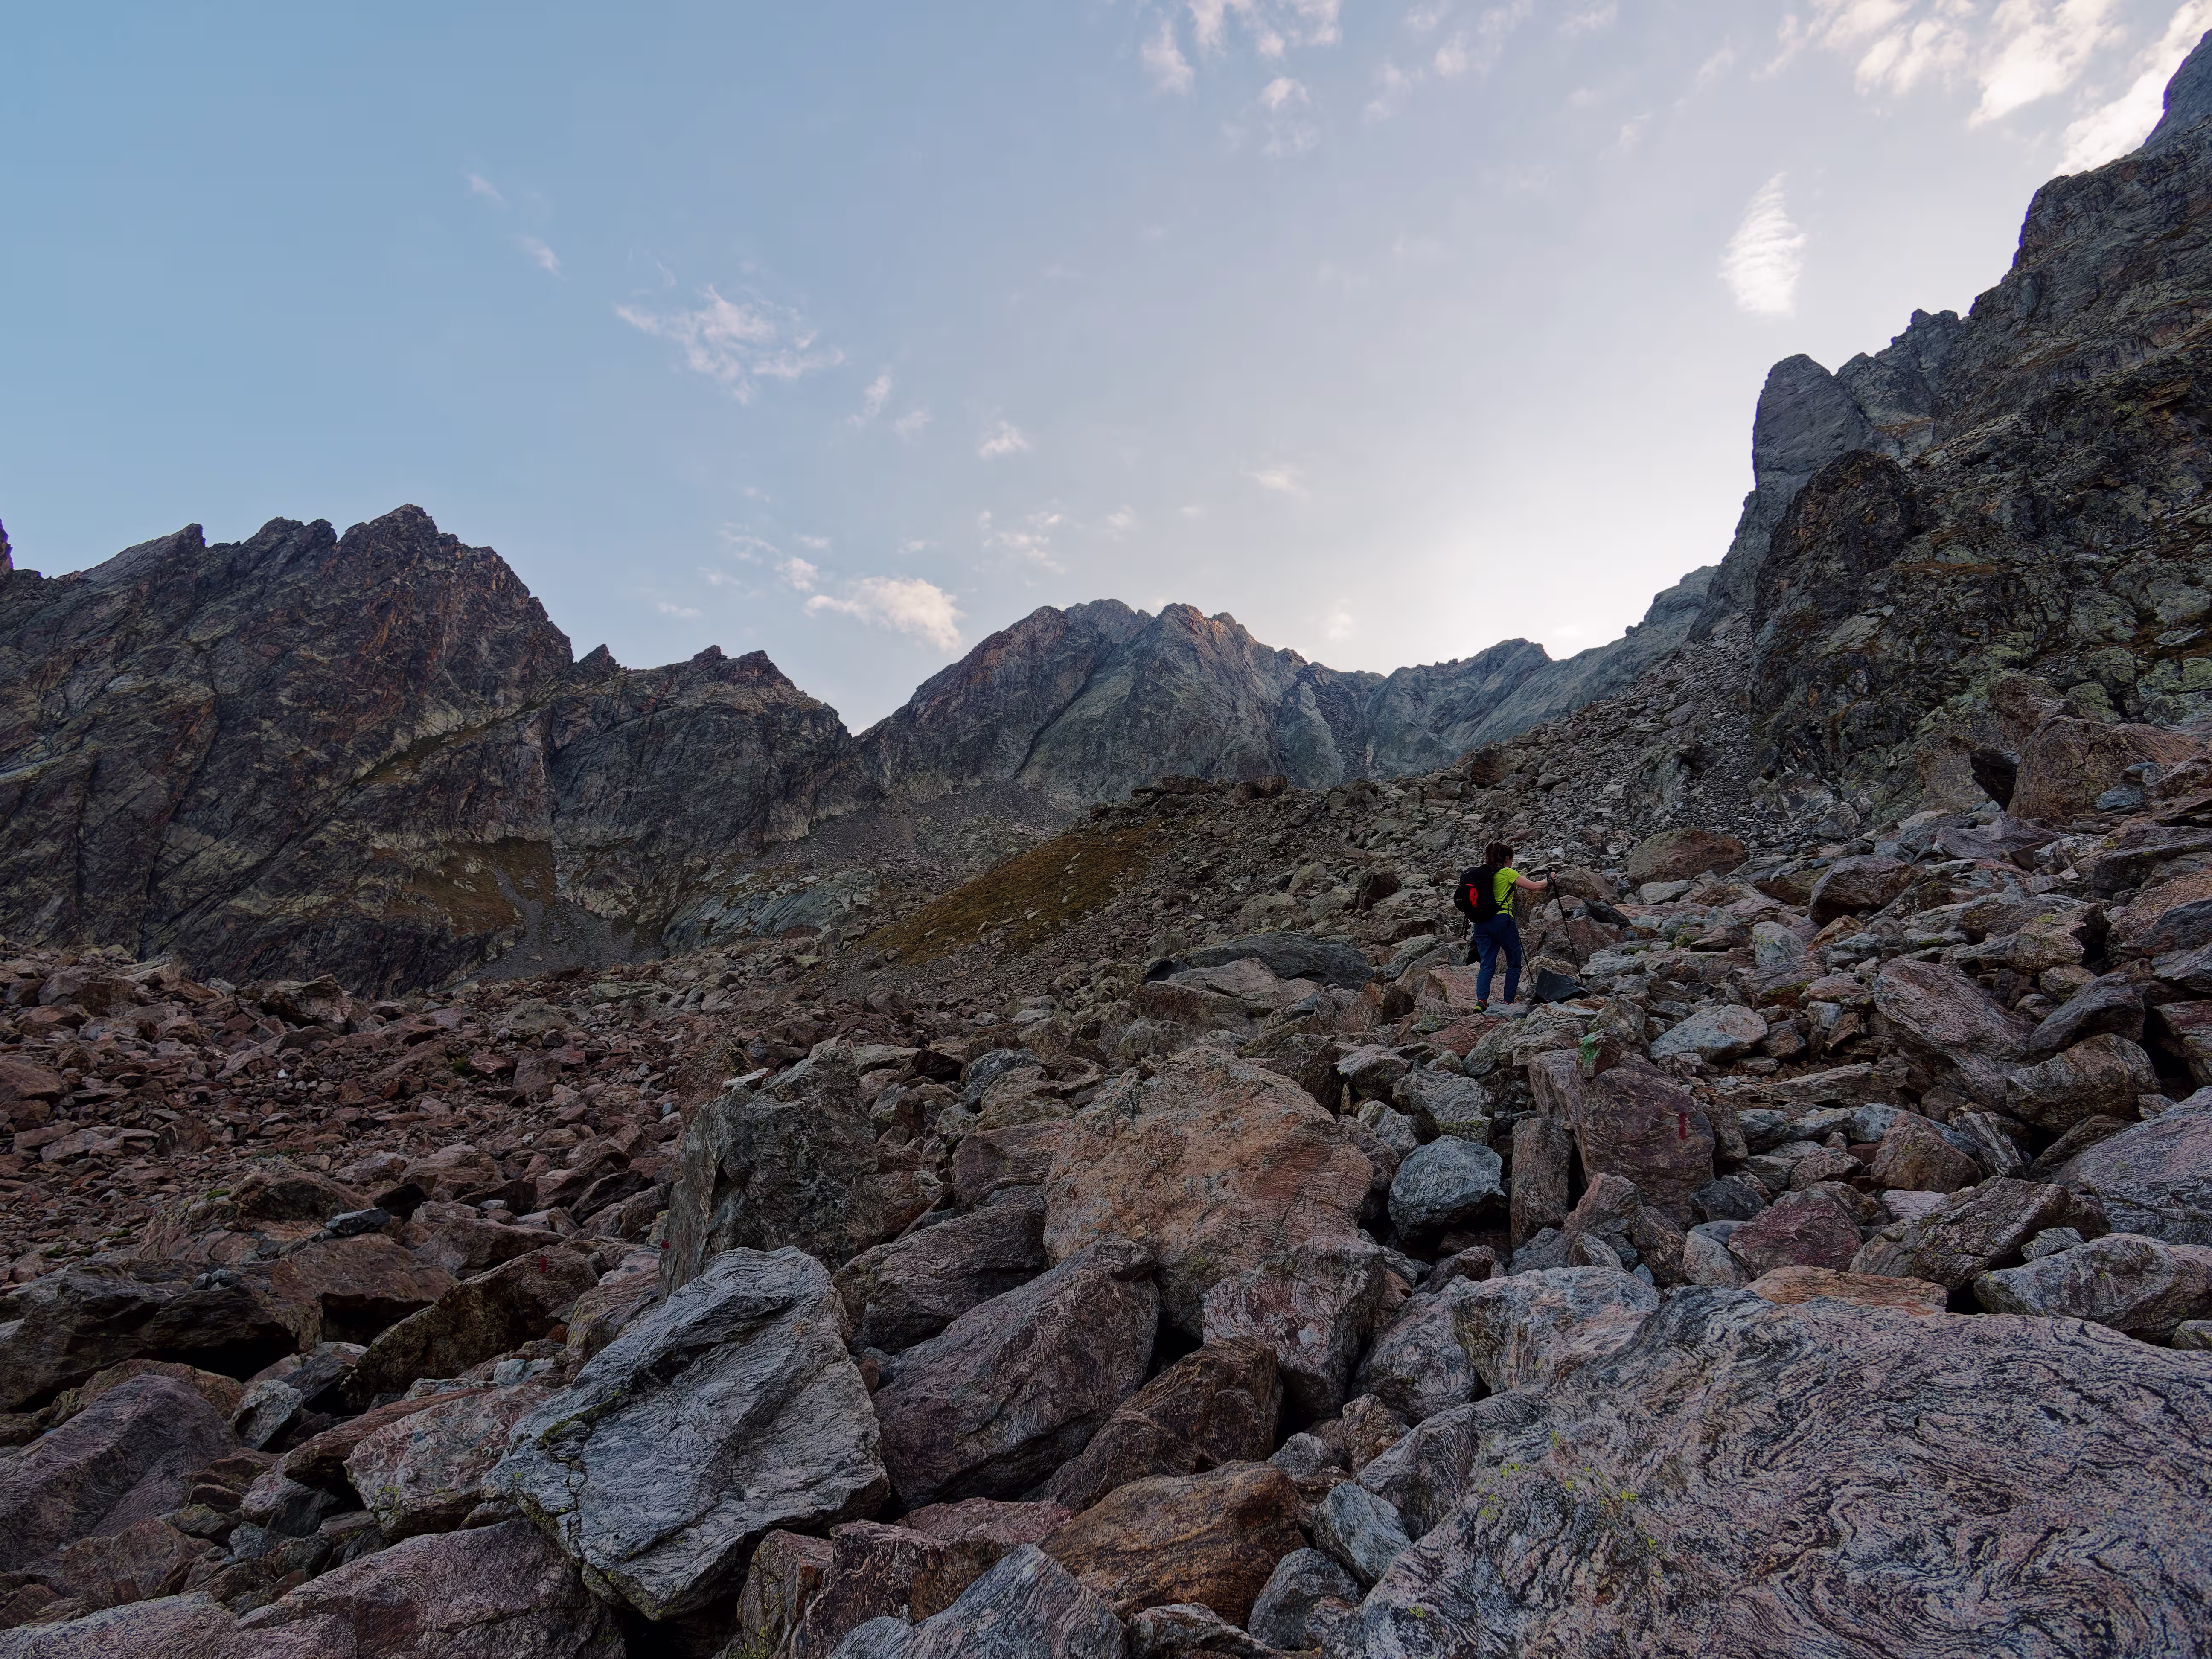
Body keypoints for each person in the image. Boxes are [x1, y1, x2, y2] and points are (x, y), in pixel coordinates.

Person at [1452, 840, 1549, 1010]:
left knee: (1487, 964)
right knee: (1513, 961)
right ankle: (1508, 1001)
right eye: (1511, 860)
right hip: (1502, 921)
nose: (1512, 864)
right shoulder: (1507, 873)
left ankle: (1481, 1001)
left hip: (1480, 924)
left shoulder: (1479, 874)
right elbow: (1535, 887)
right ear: (1506, 859)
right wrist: (1550, 879)